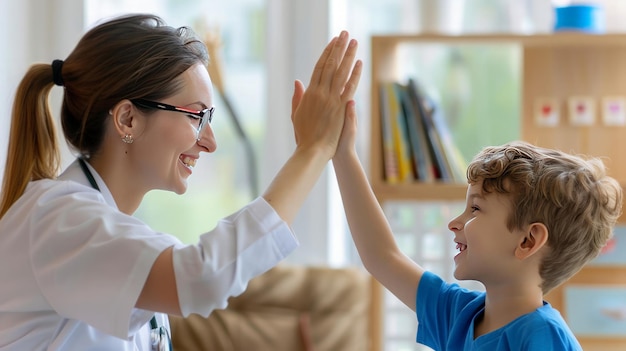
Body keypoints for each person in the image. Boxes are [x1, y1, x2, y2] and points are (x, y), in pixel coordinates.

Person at [0, 13, 362, 350]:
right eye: (196, 116)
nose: (210, 141)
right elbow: (202, 277)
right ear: (127, 119)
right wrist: (311, 152)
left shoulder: (100, 226)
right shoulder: (58, 217)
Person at [330, 102, 622, 350]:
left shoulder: (543, 337)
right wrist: (342, 153)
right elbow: (383, 257)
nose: (455, 223)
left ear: (528, 241)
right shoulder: (459, 314)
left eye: (475, 209)